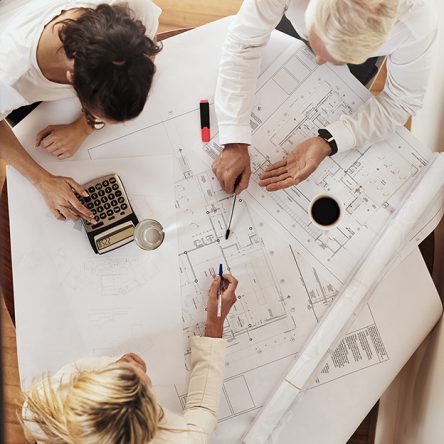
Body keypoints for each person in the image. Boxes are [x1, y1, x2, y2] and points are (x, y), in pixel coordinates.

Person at [212, 0, 437, 193]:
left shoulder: (417, 25)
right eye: (319, 46)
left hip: (353, 69)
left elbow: (400, 101)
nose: (318, 60)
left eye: (331, 57)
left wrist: (330, 141)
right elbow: (244, 43)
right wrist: (234, 136)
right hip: (288, 21)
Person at [20, 273, 238, 443]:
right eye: (148, 390)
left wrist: (111, 365)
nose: (135, 362)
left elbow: (77, 369)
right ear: (152, 424)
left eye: (116, 372)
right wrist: (214, 324)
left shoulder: (39, 410)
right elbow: (203, 411)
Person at [0, 0, 161, 222]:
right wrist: (42, 180)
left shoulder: (133, 10)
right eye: (95, 115)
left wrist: (83, 127)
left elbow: (150, 47)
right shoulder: (8, 75)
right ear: (71, 80)